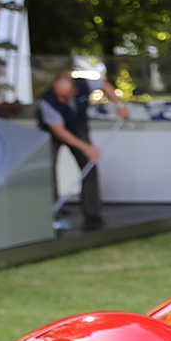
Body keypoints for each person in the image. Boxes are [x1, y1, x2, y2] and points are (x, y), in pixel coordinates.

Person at [37, 71, 126, 230]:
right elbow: (59, 131)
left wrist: (119, 105)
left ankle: (93, 214)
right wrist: (87, 147)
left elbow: (104, 84)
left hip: (78, 128)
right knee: (48, 169)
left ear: (75, 90)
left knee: (89, 167)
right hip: (52, 132)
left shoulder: (84, 84)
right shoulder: (47, 101)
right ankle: (51, 213)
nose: (60, 100)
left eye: (65, 97)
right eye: (58, 95)